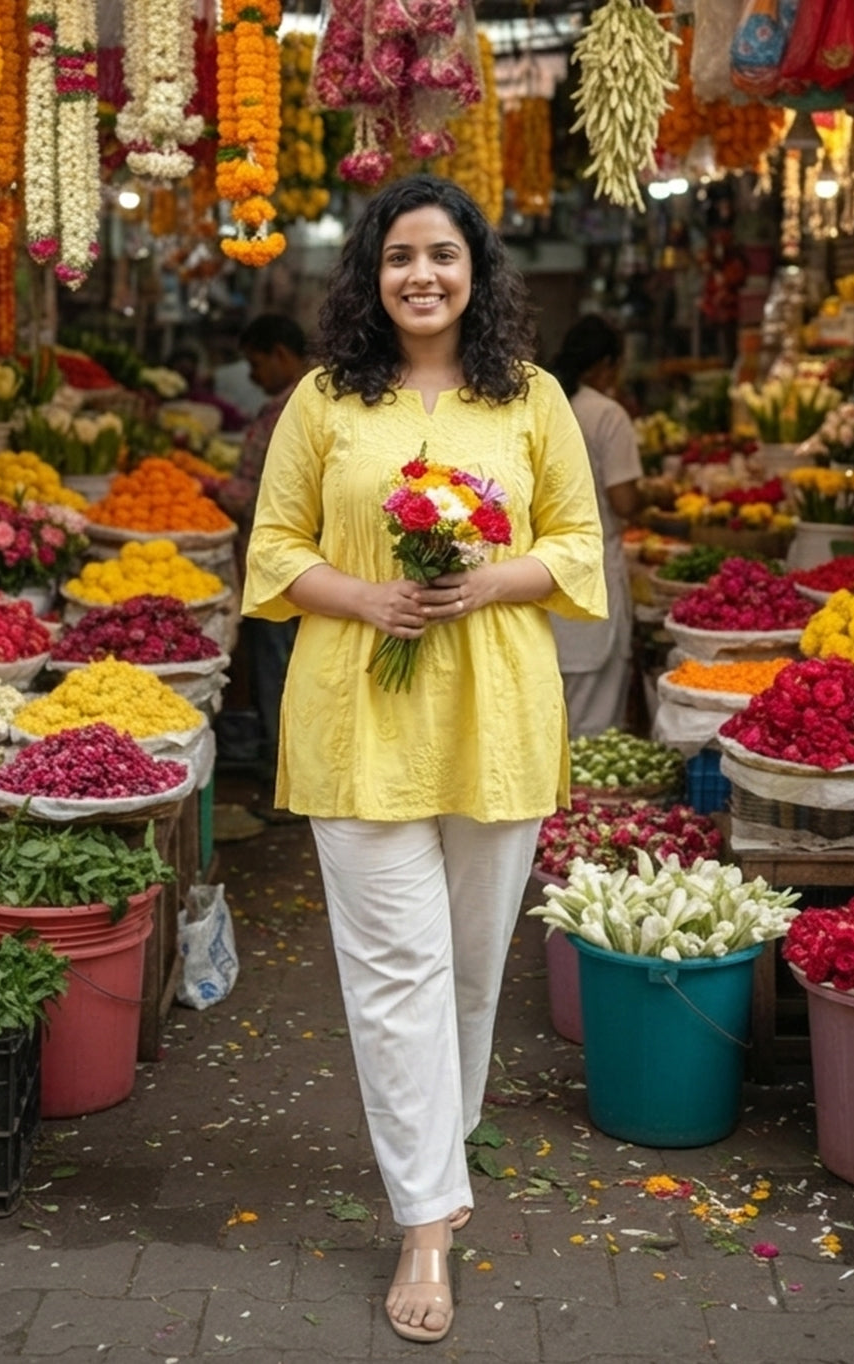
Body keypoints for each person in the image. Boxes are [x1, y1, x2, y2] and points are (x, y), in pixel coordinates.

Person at [240, 174, 606, 1344]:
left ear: (476, 269)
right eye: (399, 257)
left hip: (496, 711)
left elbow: (579, 542)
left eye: (442, 255)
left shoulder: (533, 398)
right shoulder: (323, 399)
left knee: (468, 968)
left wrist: (479, 580)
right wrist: (370, 595)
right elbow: (275, 549)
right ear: (370, 275)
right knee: (396, 974)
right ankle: (425, 1222)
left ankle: (434, 1174)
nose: (422, 276)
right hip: (356, 718)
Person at [217, 315, 309, 798]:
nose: (252, 375)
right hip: (300, 563)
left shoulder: (288, 411)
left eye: (256, 363)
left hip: (283, 565)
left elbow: (260, 496)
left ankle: (283, 772)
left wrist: (211, 487)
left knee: (279, 664)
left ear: (280, 354)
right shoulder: (310, 400)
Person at [549, 315, 643, 737]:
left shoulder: (542, 402)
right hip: (591, 577)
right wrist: (651, 499)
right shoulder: (607, 415)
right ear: (606, 364)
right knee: (591, 729)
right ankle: (588, 805)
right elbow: (624, 500)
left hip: (538, 581)